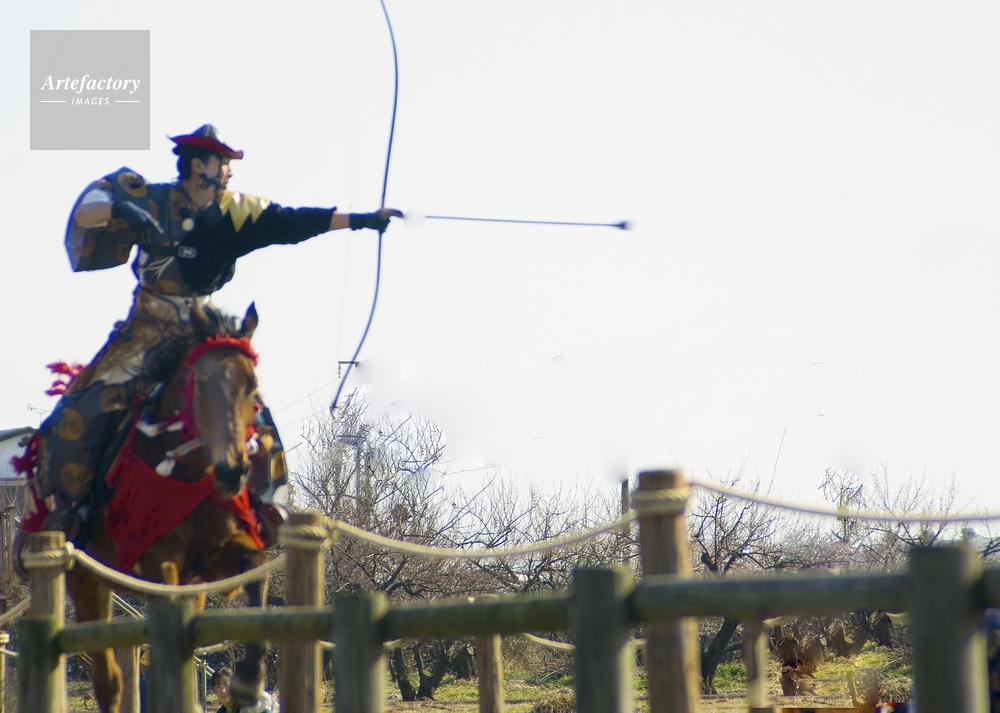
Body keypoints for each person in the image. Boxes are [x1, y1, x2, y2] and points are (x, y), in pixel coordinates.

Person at [30, 123, 400, 547]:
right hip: (147, 330)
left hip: (201, 331)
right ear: (198, 165)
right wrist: (123, 211)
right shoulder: (151, 198)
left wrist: (362, 220)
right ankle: (71, 506)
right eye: (222, 162)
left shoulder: (234, 211)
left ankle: (269, 502)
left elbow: (293, 222)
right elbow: (87, 211)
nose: (229, 170)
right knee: (87, 402)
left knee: (249, 405)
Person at [210, 667, 278, 713]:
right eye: (218, 687)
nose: (223, 690)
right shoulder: (222, 711)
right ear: (214, 691)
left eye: (226, 684)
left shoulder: (252, 700)